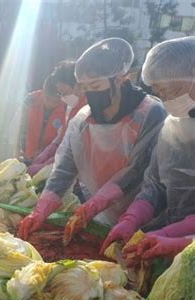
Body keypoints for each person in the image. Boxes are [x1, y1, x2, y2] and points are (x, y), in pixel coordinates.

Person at [18, 38, 167, 240]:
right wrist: (41, 210)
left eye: (96, 86)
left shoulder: (150, 114)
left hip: (145, 218)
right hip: (102, 216)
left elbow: (138, 170)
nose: (91, 95)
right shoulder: (82, 120)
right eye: (85, 88)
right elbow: (64, 169)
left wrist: (94, 205)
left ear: (121, 78)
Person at [102, 36, 195, 260]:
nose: (165, 99)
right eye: (159, 92)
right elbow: (155, 185)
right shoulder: (174, 127)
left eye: (170, 90)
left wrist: (176, 239)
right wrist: (131, 219)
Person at [28, 60, 88, 175]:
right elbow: (63, 137)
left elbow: (74, 149)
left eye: (64, 92)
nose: (63, 98)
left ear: (78, 85)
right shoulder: (71, 107)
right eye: (60, 94)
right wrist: (48, 151)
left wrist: (48, 164)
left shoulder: (88, 110)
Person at [12, 74, 62, 169]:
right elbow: (18, 125)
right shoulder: (30, 99)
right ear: (43, 91)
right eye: (47, 98)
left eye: (56, 101)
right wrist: (17, 149)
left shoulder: (66, 106)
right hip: (26, 155)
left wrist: (46, 152)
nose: (50, 104)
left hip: (50, 160)